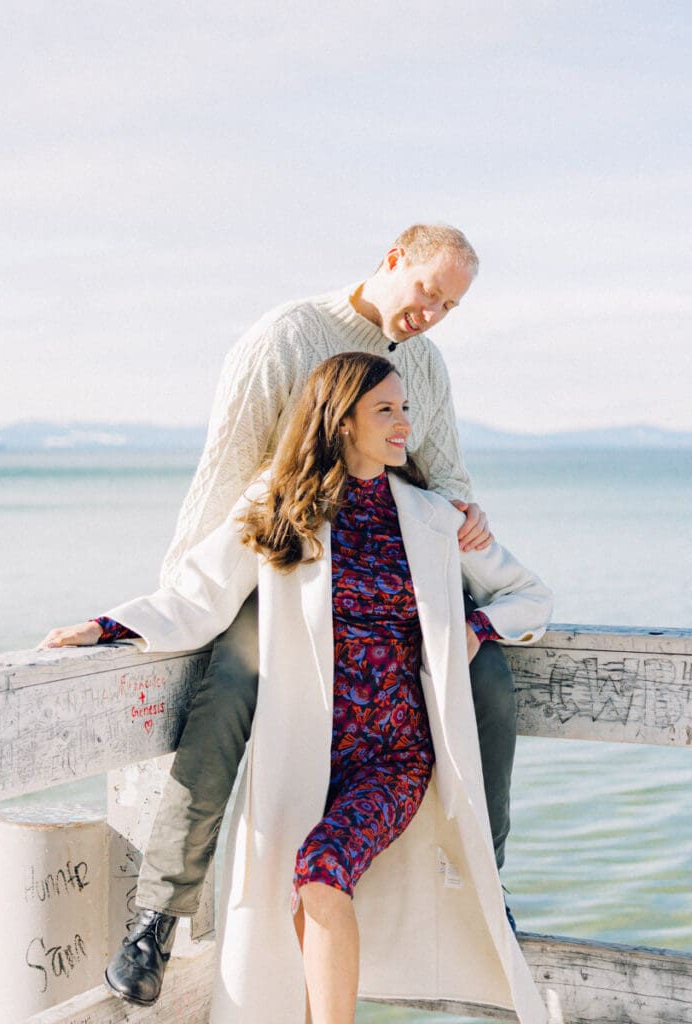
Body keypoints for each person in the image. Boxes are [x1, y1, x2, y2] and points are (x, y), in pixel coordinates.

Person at [57, 224, 520, 1009]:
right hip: (278, 562)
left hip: (381, 560)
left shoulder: (427, 366)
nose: (433, 313)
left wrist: (468, 523)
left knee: (494, 685)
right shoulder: (288, 336)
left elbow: (442, 472)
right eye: (427, 292)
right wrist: (164, 605)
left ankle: (486, 884)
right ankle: (159, 915)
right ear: (393, 258)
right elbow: (228, 470)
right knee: (230, 691)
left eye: (450, 305)